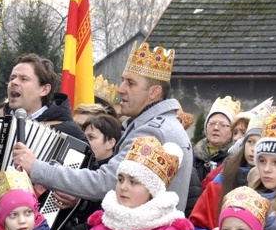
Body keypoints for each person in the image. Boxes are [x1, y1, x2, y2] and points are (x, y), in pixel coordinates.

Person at [12, 42, 193, 213]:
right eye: (123, 80)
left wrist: (36, 168)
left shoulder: (153, 131)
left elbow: (107, 181)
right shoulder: (161, 124)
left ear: (154, 92)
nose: (121, 88)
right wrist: (80, 201)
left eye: (131, 83)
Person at [0, 53, 86, 201]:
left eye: (24, 79)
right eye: (12, 78)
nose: (14, 82)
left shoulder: (69, 132)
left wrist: (78, 202)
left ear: (44, 90)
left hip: (44, 222)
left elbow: (91, 185)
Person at [193, 96, 241, 185]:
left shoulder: (235, 158)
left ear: (232, 131)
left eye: (223, 125)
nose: (215, 128)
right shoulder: (194, 155)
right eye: (212, 123)